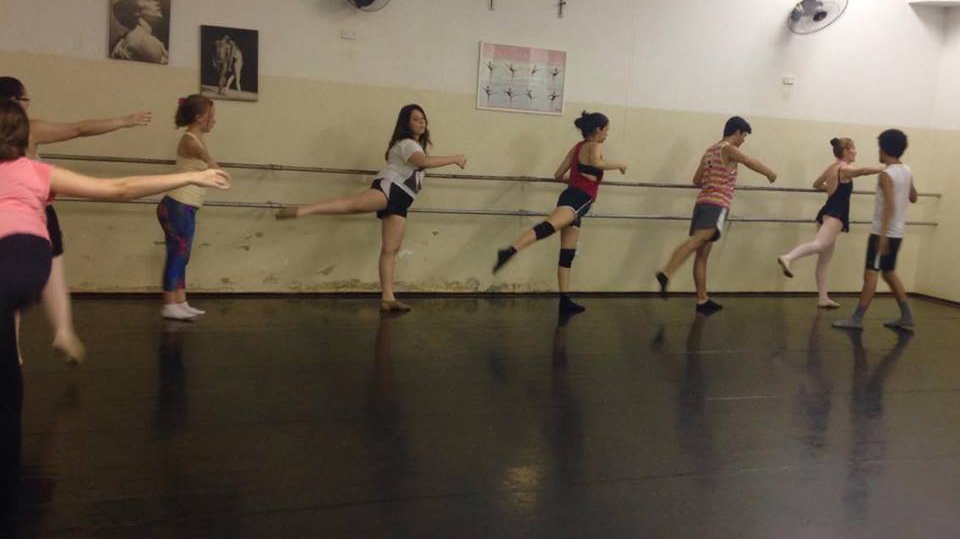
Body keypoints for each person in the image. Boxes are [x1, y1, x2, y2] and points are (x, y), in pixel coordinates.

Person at [1, 97, 229, 383]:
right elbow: (120, 188)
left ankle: (27, 348)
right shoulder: (36, 171)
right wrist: (190, 178)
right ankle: (57, 334)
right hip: (31, 259)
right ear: (24, 137)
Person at [0, 76, 152, 363]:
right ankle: (62, 330)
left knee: (8, 285)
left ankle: (14, 348)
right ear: (15, 101)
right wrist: (124, 121)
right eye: (25, 99)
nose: (28, 104)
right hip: (34, 212)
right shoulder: (29, 129)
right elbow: (78, 129)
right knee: (52, 270)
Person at [276, 104, 466, 312]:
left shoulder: (414, 145)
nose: (421, 122)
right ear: (405, 123)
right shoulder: (407, 143)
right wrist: (455, 158)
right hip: (391, 188)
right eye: (415, 119)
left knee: (391, 250)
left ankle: (388, 298)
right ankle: (304, 210)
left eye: (423, 118)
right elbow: (423, 162)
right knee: (353, 205)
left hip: (402, 199)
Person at [492, 111, 626, 315]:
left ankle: (565, 301)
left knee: (567, 253)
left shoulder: (577, 147)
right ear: (598, 130)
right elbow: (598, 164)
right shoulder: (595, 146)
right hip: (579, 199)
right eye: (606, 130)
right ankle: (511, 250)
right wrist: (620, 165)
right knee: (549, 227)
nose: (607, 134)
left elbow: (558, 175)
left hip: (571, 196)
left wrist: (577, 180)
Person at [655, 116, 777, 315]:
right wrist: (770, 174)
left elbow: (697, 180)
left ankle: (702, 299)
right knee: (697, 241)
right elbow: (749, 161)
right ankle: (666, 272)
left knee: (702, 255)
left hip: (702, 203)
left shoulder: (710, 151)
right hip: (716, 205)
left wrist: (714, 179)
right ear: (737, 132)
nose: (743, 140)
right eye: (744, 136)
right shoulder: (728, 148)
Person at [776, 138, 884, 308]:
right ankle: (788, 257)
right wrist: (887, 167)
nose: (856, 151)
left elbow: (816, 184)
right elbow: (864, 171)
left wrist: (831, 188)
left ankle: (823, 298)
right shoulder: (844, 169)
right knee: (819, 245)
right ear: (846, 151)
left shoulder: (831, 168)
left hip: (826, 212)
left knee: (824, 259)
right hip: (836, 215)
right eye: (854, 148)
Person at [833, 129, 917, 331]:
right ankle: (907, 316)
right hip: (897, 232)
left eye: (879, 147)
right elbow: (913, 197)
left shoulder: (886, 175)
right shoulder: (906, 170)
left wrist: (883, 237)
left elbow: (889, 206)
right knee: (888, 273)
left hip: (883, 233)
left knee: (871, 274)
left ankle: (857, 319)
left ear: (884, 149)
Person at [157, 95, 221, 321]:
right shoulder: (190, 140)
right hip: (178, 206)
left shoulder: (196, 138)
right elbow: (205, 158)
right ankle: (169, 304)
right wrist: (215, 169)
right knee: (177, 255)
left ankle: (180, 302)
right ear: (198, 117)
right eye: (211, 116)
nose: (214, 120)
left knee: (182, 256)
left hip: (184, 207)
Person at [110, 0, 169, 64]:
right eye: (148, 0)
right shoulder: (142, 40)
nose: (157, 3)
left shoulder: (140, 37)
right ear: (135, 10)